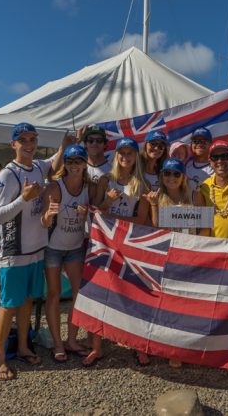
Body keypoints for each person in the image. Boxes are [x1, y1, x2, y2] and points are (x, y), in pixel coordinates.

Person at [0, 122, 66, 381]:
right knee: (8, 305)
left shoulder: (37, 166)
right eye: (23, 140)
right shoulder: (5, 175)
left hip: (36, 248)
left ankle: (23, 346)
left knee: (27, 301)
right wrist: (23, 198)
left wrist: (65, 144)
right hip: (15, 251)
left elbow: (54, 162)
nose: (29, 144)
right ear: (13, 144)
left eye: (32, 139)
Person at [94, 137, 151, 366]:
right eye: (122, 153)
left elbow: (142, 218)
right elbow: (96, 211)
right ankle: (97, 346)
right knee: (101, 292)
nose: (125, 157)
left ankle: (138, 345)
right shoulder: (106, 180)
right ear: (116, 155)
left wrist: (113, 217)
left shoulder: (142, 184)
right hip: (105, 242)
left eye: (130, 153)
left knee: (133, 294)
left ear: (136, 157)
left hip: (130, 243)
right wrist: (107, 203)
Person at [146, 158, 204, 369]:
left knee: (187, 304)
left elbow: (204, 227)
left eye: (175, 174)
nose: (171, 178)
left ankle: (185, 347)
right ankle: (171, 348)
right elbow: (155, 227)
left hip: (190, 257)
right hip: (168, 258)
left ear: (183, 177)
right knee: (168, 305)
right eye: (167, 174)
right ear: (162, 177)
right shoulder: (157, 197)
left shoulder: (195, 196)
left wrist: (200, 253)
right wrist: (153, 205)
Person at [40, 144, 96, 363]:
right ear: (65, 164)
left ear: (85, 164)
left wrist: (87, 215)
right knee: (53, 294)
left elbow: (96, 215)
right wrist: (49, 215)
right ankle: (57, 343)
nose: (74, 166)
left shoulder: (88, 188)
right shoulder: (55, 188)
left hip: (75, 248)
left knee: (78, 294)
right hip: (53, 248)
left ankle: (72, 340)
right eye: (70, 161)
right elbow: (43, 222)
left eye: (78, 161)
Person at [199, 140, 228, 238]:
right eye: (215, 157)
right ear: (210, 162)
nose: (220, 161)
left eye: (224, 156)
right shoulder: (204, 187)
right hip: (213, 248)